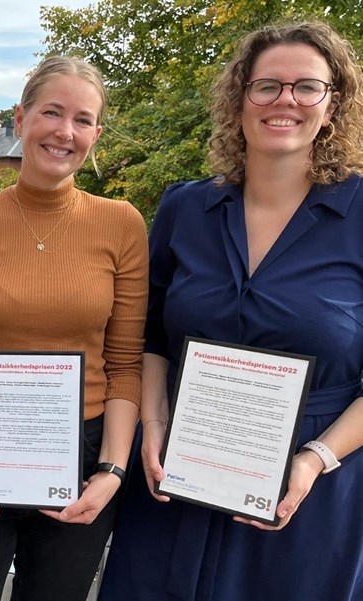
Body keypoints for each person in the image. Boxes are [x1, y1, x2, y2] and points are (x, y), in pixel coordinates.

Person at [99, 21, 363, 600]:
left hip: (309, 489)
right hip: (175, 474)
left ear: (332, 103)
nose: (285, 100)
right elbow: (149, 337)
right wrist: (153, 423)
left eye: (306, 87)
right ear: (240, 96)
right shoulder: (185, 206)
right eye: (267, 85)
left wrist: (316, 460)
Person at [0, 56, 148, 601]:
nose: (64, 132)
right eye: (52, 112)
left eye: (82, 119)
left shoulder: (122, 223)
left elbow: (124, 365)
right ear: (21, 118)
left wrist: (112, 472)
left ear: (96, 133)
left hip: (84, 455)